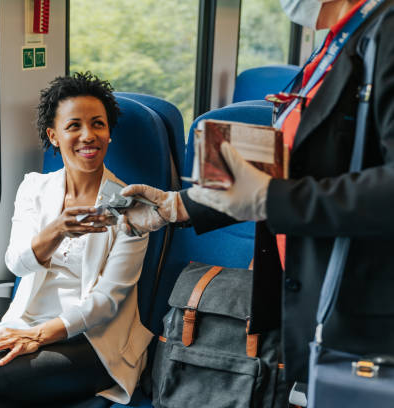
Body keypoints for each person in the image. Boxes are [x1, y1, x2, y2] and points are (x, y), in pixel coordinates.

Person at [120, 0, 394, 386]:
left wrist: (273, 199)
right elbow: (292, 166)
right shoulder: (336, 43)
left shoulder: (386, 33)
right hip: (313, 289)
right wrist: (177, 205)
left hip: (366, 302)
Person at [0, 72, 153, 407]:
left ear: (109, 134)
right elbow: (17, 262)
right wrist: (58, 229)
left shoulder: (132, 208)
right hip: (28, 322)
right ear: (54, 136)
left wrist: (39, 336)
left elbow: (107, 302)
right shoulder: (34, 188)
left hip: (92, 342)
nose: (88, 135)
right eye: (74, 125)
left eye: (98, 124)